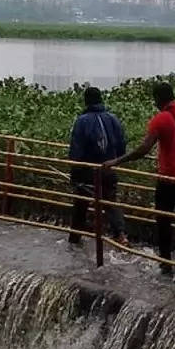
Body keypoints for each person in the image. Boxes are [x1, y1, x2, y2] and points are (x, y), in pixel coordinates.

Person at [104, 82, 175, 275]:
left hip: (169, 179)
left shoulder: (160, 120)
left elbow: (144, 148)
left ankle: (166, 262)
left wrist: (116, 161)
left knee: (163, 219)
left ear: (158, 99)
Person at [67, 86, 127, 245]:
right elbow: (122, 146)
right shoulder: (113, 119)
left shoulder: (82, 121)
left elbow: (76, 149)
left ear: (86, 102)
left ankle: (75, 239)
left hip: (87, 171)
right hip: (109, 169)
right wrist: (115, 161)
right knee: (110, 202)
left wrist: (74, 171)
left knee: (80, 205)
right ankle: (121, 236)